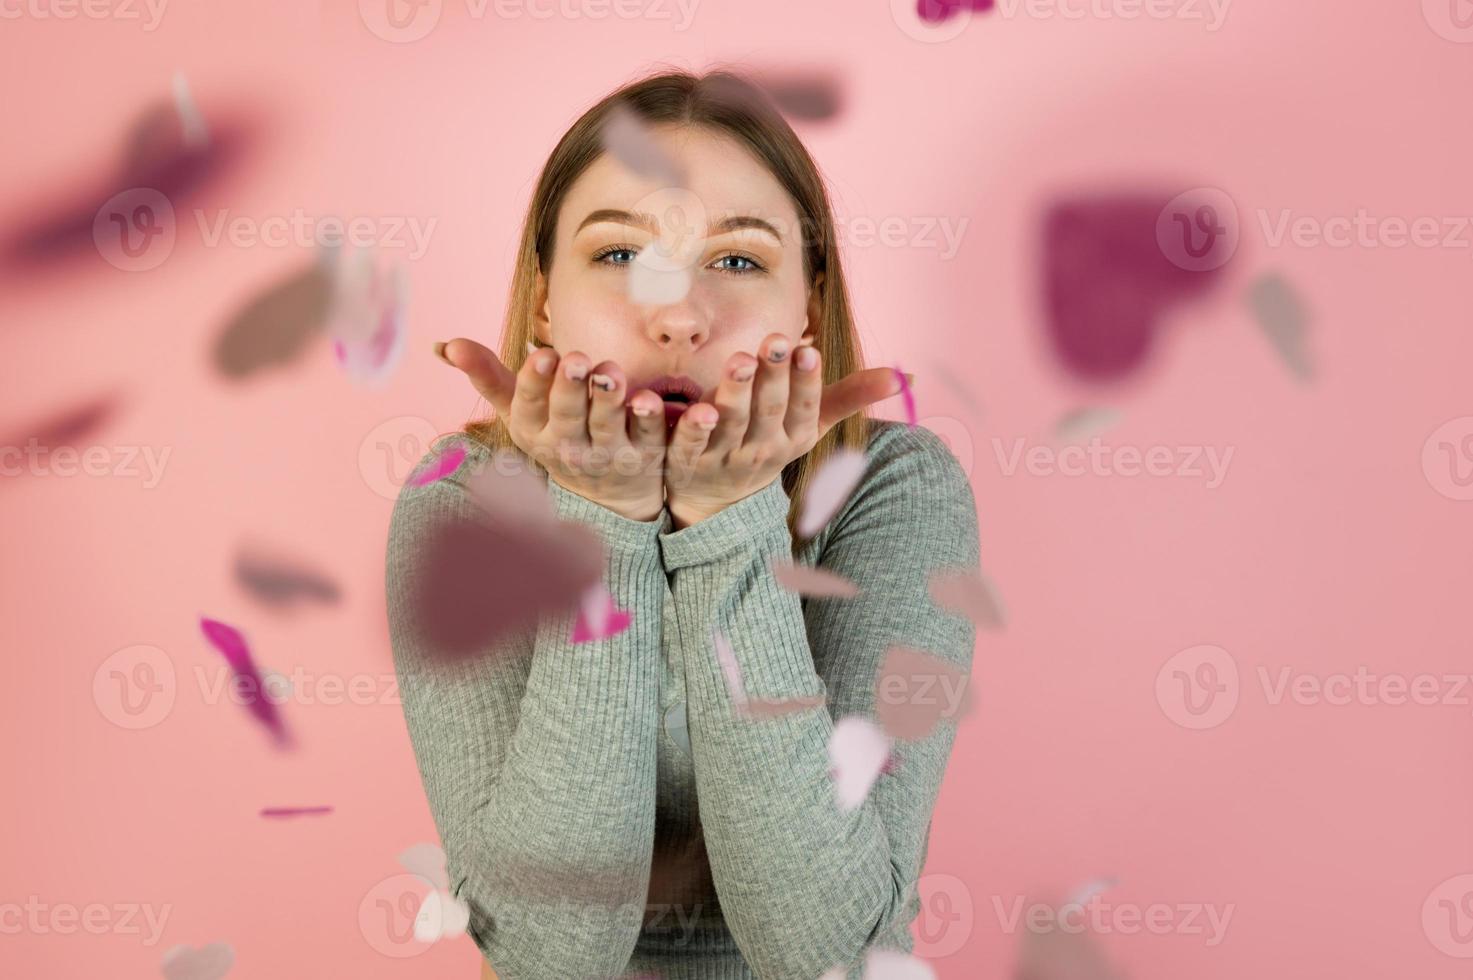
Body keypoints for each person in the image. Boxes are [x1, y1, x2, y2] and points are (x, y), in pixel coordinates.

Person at [386, 67, 980, 980]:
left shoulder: (890, 488)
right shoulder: (463, 503)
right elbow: (550, 956)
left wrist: (729, 517)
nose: (676, 316)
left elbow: (827, 956)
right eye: (619, 255)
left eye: (737, 260)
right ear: (545, 298)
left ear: (807, 305)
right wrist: (604, 522)